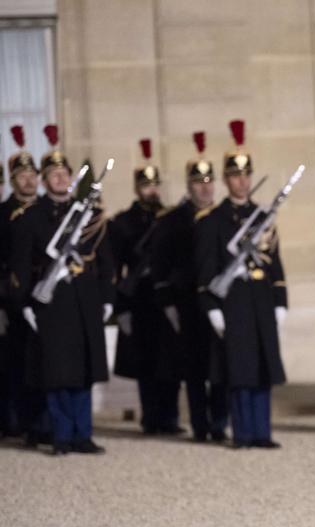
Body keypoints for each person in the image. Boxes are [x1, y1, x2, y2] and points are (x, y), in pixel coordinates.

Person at [10, 124, 115, 454]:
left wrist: (108, 298)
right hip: (50, 302)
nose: (59, 178)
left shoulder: (89, 215)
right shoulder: (30, 218)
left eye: (63, 173)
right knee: (55, 374)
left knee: (82, 371)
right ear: (43, 180)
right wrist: (24, 302)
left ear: (71, 177)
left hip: (83, 300)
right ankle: (61, 435)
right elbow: (21, 265)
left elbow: (107, 263)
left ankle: (82, 434)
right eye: (52, 174)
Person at [194, 119, 288, 448]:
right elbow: (205, 272)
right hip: (232, 303)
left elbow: (275, 262)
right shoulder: (213, 221)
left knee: (262, 368)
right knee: (239, 372)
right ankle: (243, 433)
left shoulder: (262, 217)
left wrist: (280, 301)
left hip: (261, 299)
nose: (242, 181)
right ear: (226, 179)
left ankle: (262, 432)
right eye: (235, 175)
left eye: (246, 174)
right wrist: (212, 309)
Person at [150, 131, 228, 442]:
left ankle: (220, 423)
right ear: (189, 185)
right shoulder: (171, 221)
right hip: (187, 304)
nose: (205, 187)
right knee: (194, 369)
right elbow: (161, 267)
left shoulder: (224, 217)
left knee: (221, 368)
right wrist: (169, 305)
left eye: (209, 182)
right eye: (198, 182)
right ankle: (200, 424)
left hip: (219, 301)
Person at [109, 139, 182, 435]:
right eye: (145, 186)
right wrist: (121, 308)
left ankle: (171, 418)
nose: (151, 191)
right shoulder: (123, 223)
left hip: (165, 298)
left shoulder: (171, 219)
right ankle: (151, 418)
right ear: (137, 188)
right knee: (147, 364)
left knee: (172, 362)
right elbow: (116, 271)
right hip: (139, 302)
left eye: (155, 185)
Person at [0, 125, 43, 441]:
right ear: (12, 180)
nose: (29, 180)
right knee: (15, 363)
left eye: (33, 174)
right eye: (22, 176)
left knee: (46, 362)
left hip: (44, 297)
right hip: (11, 299)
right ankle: (18, 420)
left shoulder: (48, 210)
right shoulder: (3, 215)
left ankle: (43, 422)